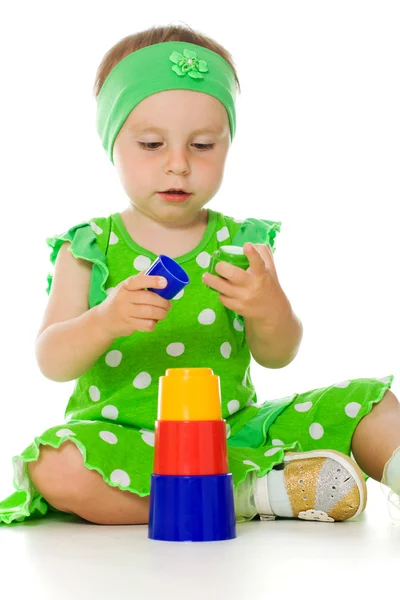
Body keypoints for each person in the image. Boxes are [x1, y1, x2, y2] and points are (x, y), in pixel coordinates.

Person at [1, 23, 399, 527]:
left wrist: (268, 308)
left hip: (232, 435)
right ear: (112, 145)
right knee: (54, 467)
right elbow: (51, 360)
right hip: (131, 443)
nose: (178, 165)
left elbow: (277, 355)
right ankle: (254, 495)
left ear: (229, 144)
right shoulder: (89, 248)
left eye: (203, 145)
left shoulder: (241, 243)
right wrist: (104, 320)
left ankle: (303, 475)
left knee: (371, 401)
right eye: (150, 144)